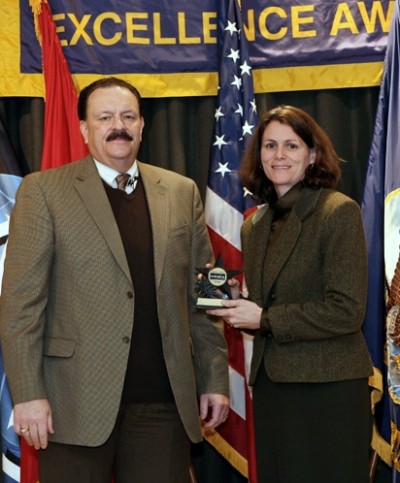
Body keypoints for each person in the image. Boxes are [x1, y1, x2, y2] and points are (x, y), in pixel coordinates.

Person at [0, 77, 229, 483]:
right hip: (72, 405)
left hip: (163, 404)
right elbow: (20, 305)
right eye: (104, 117)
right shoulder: (43, 192)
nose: (117, 126)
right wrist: (28, 394)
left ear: (142, 125)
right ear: (85, 129)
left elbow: (205, 295)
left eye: (127, 116)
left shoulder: (181, 192)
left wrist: (214, 378)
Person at [207, 105, 373, 483]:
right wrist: (239, 301)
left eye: (291, 146)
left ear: (312, 155)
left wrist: (263, 317)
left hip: (326, 390)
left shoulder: (337, 211)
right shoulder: (256, 224)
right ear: (259, 154)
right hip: (273, 389)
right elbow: (275, 303)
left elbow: (346, 310)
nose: (279, 155)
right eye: (269, 146)